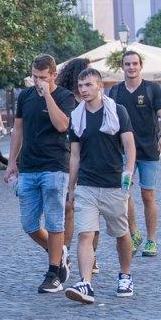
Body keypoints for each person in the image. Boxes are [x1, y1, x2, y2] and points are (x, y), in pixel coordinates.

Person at [5, 55, 80, 294]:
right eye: (34, 77)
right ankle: (59, 254)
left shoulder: (64, 96)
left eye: (42, 78)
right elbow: (18, 129)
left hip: (55, 166)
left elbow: (62, 125)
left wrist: (47, 94)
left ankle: (53, 273)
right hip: (28, 167)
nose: (38, 82)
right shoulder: (25, 96)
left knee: (54, 221)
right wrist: (11, 162)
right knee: (29, 224)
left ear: (53, 75)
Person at [64, 67, 137, 304]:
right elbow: (74, 155)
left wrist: (128, 169)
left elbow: (129, 145)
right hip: (87, 184)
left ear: (100, 87)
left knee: (121, 234)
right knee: (85, 234)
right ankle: (86, 283)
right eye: (81, 86)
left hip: (114, 184)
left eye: (88, 85)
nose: (83, 90)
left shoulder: (117, 111)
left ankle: (125, 275)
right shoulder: (76, 117)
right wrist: (72, 187)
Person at [107, 50, 161, 257]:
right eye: (127, 64)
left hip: (148, 150)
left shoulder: (152, 89)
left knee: (148, 195)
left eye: (135, 63)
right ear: (122, 67)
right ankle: (134, 234)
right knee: (124, 194)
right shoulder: (115, 92)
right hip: (124, 151)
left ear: (140, 66)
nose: (131, 67)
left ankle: (151, 240)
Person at [55, 58, 100, 274]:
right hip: (67, 155)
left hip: (91, 157)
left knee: (92, 209)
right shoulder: (65, 98)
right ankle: (67, 251)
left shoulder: (95, 100)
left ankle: (92, 254)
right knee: (69, 207)